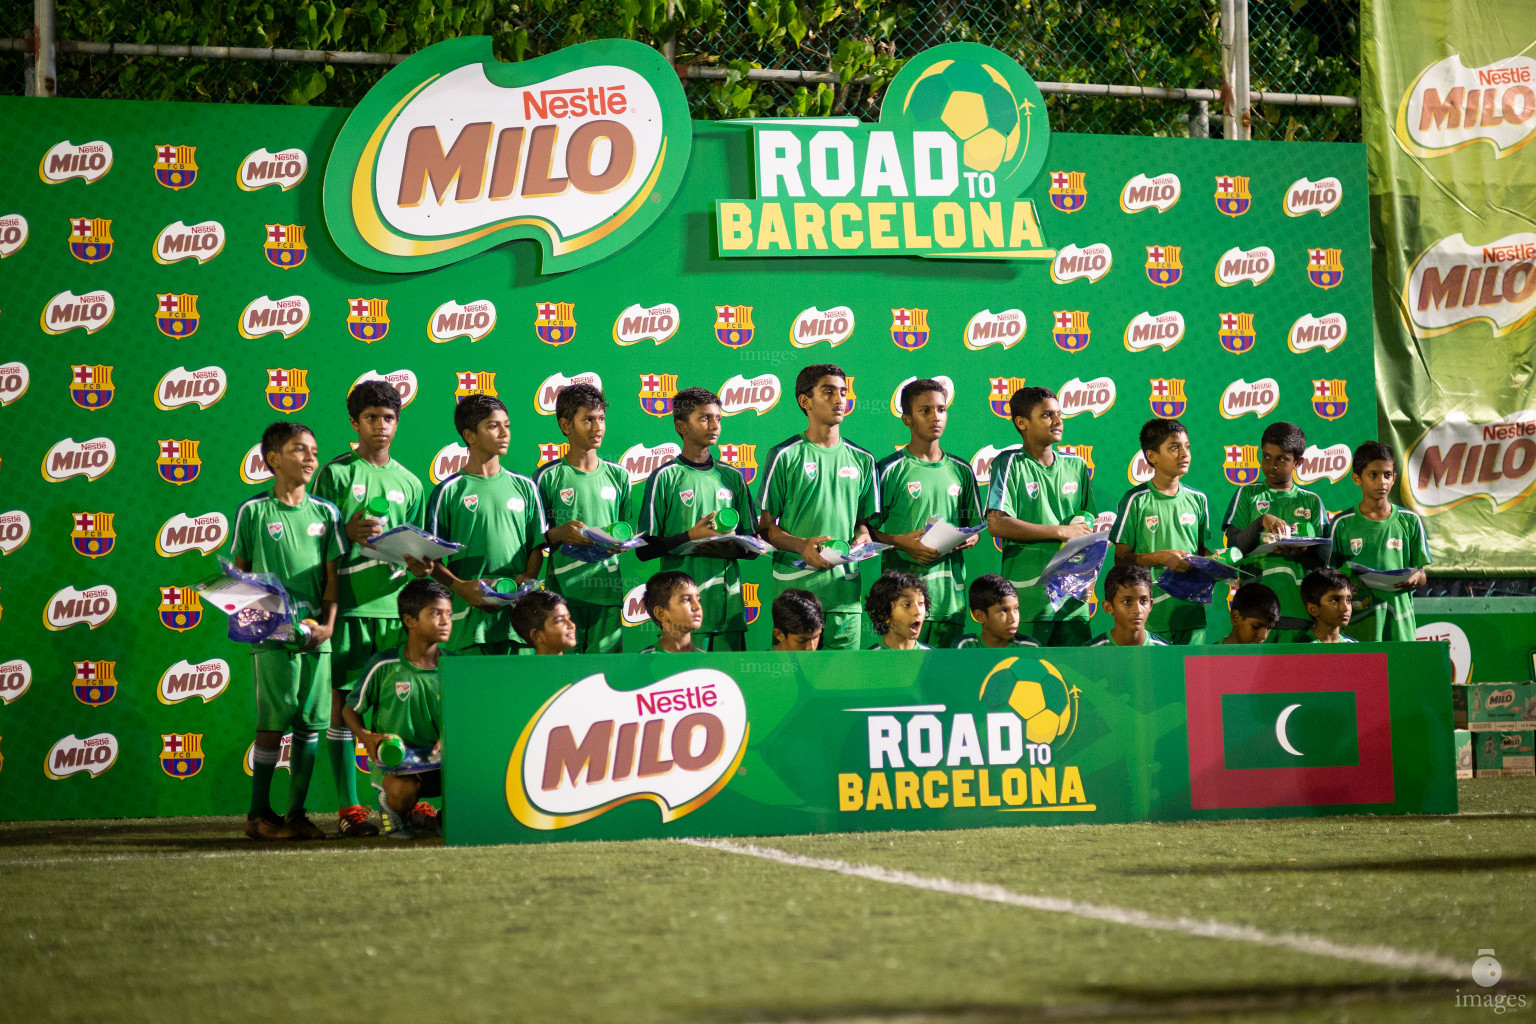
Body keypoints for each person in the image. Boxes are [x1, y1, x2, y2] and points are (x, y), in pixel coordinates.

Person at [311, 380, 423, 839]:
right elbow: (312, 539)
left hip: (395, 608)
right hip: (351, 608)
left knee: (393, 710)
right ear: (355, 423)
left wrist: (421, 560)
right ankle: (349, 806)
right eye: (372, 418)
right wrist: (346, 533)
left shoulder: (411, 481)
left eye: (389, 417)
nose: (382, 426)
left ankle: (393, 801)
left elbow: (414, 545)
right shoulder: (336, 474)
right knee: (342, 705)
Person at [230, 421, 344, 840]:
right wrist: (264, 619)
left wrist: (328, 625)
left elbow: (333, 579)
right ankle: (259, 814)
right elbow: (238, 576)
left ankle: (295, 814)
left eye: (313, 449)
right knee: (272, 724)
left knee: (311, 724)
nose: (311, 456)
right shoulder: (254, 511)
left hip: (316, 635)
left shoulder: (326, 513)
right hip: (271, 635)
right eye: (299, 449)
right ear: (273, 459)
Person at [758, 363, 880, 650]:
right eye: (828, 392)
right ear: (805, 401)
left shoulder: (863, 459)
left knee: (843, 683)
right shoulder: (783, 455)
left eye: (843, 392)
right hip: (795, 594)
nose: (839, 400)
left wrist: (863, 537)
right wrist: (802, 546)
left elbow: (861, 522)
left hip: (844, 594)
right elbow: (765, 528)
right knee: (791, 684)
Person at [637, 387, 760, 651]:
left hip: (729, 612)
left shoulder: (733, 477)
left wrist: (731, 548)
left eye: (718, 418)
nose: (714, 425)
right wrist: (689, 537)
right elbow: (644, 549)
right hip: (681, 620)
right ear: (681, 425)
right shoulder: (664, 477)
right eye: (705, 418)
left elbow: (754, 547)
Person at [423, 395, 547, 655]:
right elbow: (429, 559)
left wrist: (530, 576)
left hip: (518, 623)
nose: (504, 433)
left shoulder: (525, 487)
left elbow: (538, 544)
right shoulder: (447, 491)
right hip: (468, 622)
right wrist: (461, 588)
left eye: (507, 425)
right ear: (470, 435)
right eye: (493, 426)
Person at [868, 378, 982, 649]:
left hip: (949, 602)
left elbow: (974, 527)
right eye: (925, 411)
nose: (935, 417)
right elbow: (865, 530)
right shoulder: (888, 469)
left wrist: (967, 538)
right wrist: (900, 541)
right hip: (901, 605)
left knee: (943, 683)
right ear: (907, 419)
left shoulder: (962, 470)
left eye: (941, 409)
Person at [985, 386, 1097, 646]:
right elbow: (997, 523)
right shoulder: (1009, 463)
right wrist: (1061, 531)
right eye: (1047, 415)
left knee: (1077, 682)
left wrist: (1083, 526)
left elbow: (1088, 514)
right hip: (1029, 600)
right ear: (1022, 423)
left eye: (1059, 414)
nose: (1057, 421)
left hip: (1073, 602)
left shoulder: (1077, 465)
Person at [343, 579, 452, 840]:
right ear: (409, 620)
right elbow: (349, 710)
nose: (446, 621)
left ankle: (446, 818)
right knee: (402, 793)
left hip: (445, 760)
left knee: (480, 771)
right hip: (399, 761)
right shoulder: (384, 665)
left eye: (448, 613)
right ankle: (394, 810)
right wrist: (366, 736)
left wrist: (450, 735)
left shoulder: (455, 666)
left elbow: (471, 717)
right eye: (435, 613)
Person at [534, 384, 634, 654]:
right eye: (588, 419)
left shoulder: (620, 476)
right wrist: (559, 534)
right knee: (565, 677)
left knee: (606, 675)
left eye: (601, 419)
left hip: (607, 593)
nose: (597, 427)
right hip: (563, 598)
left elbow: (626, 532)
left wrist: (619, 543)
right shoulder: (547, 477)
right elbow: (534, 538)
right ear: (566, 425)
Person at [1220, 421, 1328, 639]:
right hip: (1255, 612)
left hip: (1298, 607)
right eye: (1266, 456)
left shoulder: (1312, 502)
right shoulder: (1248, 495)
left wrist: (1302, 552)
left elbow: (1323, 561)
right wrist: (1261, 521)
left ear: (1298, 462)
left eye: (1282, 459)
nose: (1272, 465)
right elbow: (1234, 547)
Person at [1112, 418, 1211, 644]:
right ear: (1152, 456)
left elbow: (1199, 551)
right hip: (1152, 617)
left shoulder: (1198, 499)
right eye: (1174, 447)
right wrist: (1161, 558)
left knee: (1190, 679)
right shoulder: (1135, 500)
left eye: (1187, 446)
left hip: (1191, 615)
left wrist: (1218, 563)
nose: (1184, 454)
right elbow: (1121, 560)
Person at [1326, 441, 1430, 642]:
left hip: (1399, 618)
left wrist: (1415, 577)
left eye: (1387, 475)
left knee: (1399, 671)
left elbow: (1422, 574)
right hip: (1358, 619)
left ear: (1394, 478)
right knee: (1362, 671)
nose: (1381, 481)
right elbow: (1330, 576)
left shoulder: (1410, 521)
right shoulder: (1342, 523)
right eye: (1373, 475)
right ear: (1357, 478)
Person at [1085, 564, 1168, 647]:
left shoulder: (1167, 652)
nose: (1138, 610)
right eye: (1127, 602)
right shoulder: (1089, 653)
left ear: (1150, 604)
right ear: (1108, 607)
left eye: (1143, 601)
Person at [953, 574, 1041, 649]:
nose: (1013, 619)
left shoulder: (1030, 647)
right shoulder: (965, 646)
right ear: (980, 616)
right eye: (1004, 611)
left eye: (1016, 608)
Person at [640, 571, 703, 653]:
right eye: (686, 599)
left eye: (698, 600)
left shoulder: (709, 661)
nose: (697, 607)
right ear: (660, 613)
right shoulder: (644, 660)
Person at [866, 570, 930, 651]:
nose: (918, 612)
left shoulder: (932, 657)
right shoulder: (870, 658)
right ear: (884, 614)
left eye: (921, 603)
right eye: (906, 605)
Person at [1297, 568, 1357, 643]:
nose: (1345, 608)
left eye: (1348, 600)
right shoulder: (1300, 649)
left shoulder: (1354, 647)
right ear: (1313, 609)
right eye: (1335, 600)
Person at [509, 590, 578, 655]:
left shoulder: (579, 667)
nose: (572, 625)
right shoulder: (531, 668)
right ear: (537, 636)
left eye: (569, 618)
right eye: (560, 621)